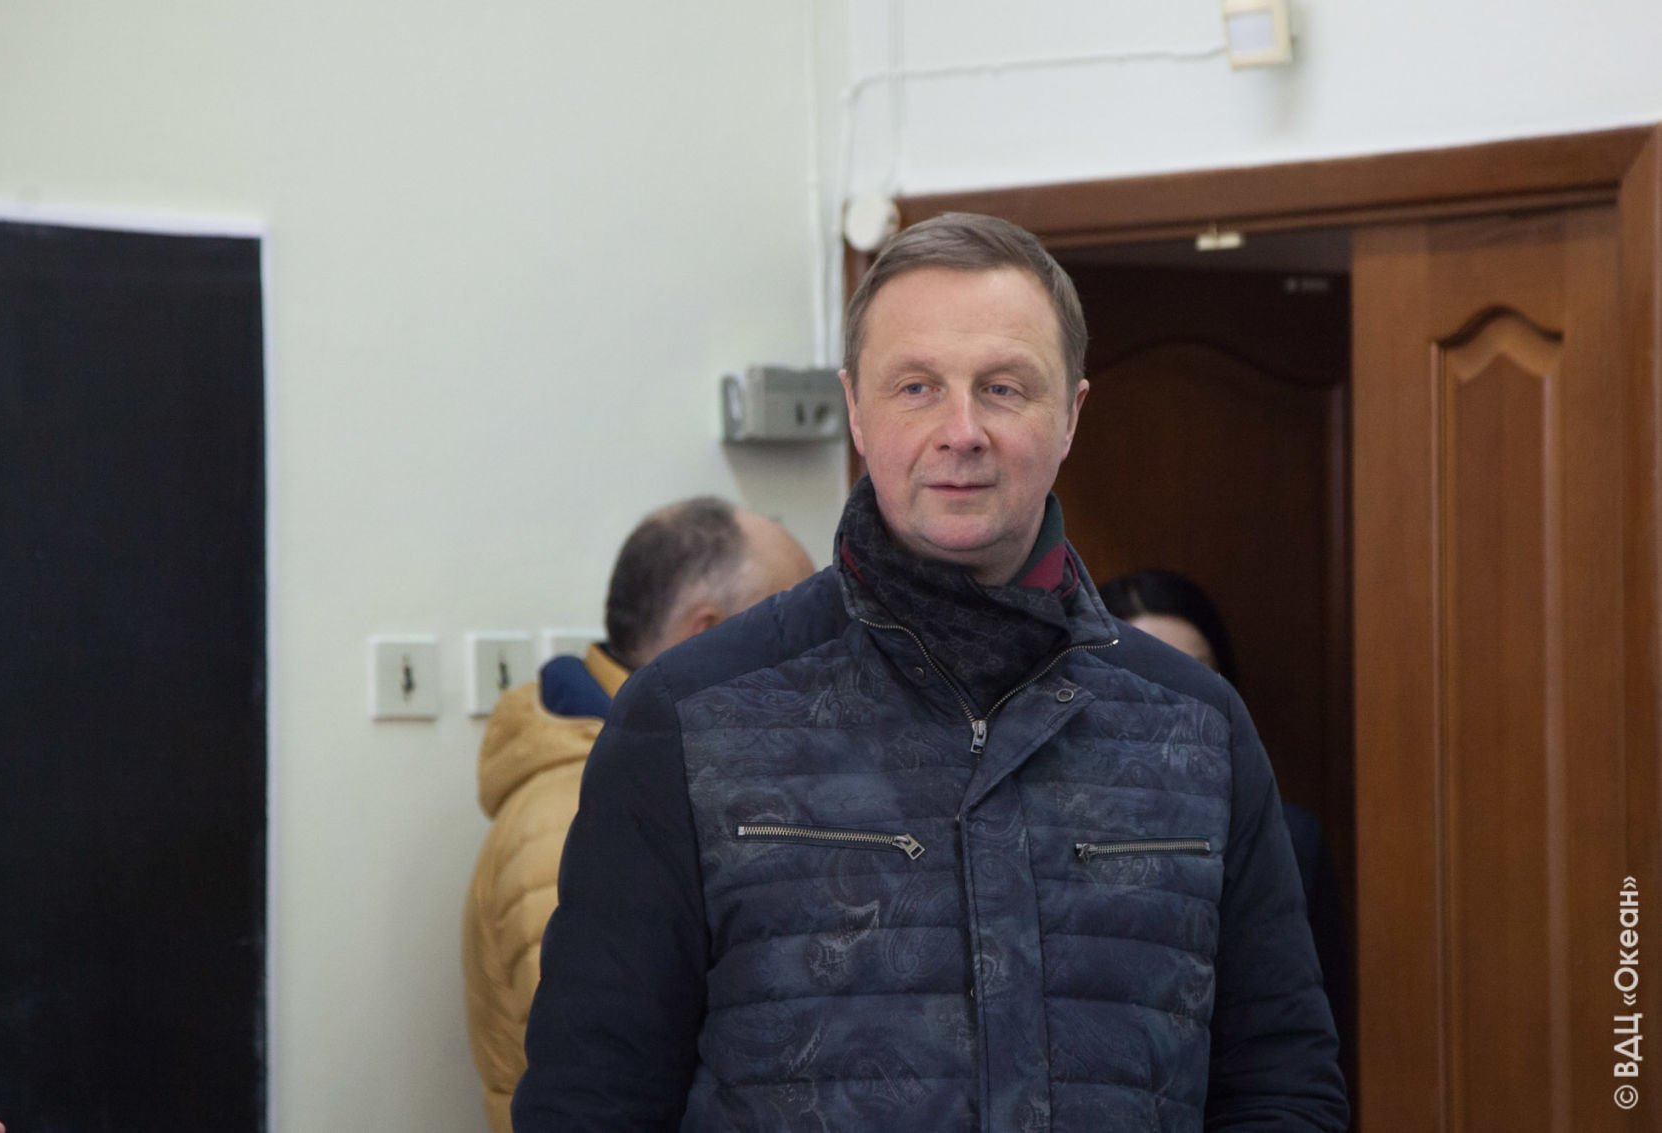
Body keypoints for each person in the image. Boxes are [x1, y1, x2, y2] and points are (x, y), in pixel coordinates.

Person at [514, 213, 1347, 1130]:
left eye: (1003, 387)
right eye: (917, 387)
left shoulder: (1197, 727)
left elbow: (1281, 1085)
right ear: (857, 411)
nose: (962, 431)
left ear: (1071, 414)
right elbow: (589, 1102)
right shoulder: (687, 719)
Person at [462, 497, 815, 1133]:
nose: (818, 659)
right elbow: (598, 1079)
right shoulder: (580, 807)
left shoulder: (645, 770)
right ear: (707, 633)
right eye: (789, 629)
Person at [1095, 567, 1353, 1073]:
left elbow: (1299, 1051)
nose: (1167, 704)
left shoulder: (1287, 839)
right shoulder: (1034, 826)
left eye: (1191, 678)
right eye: (1140, 681)